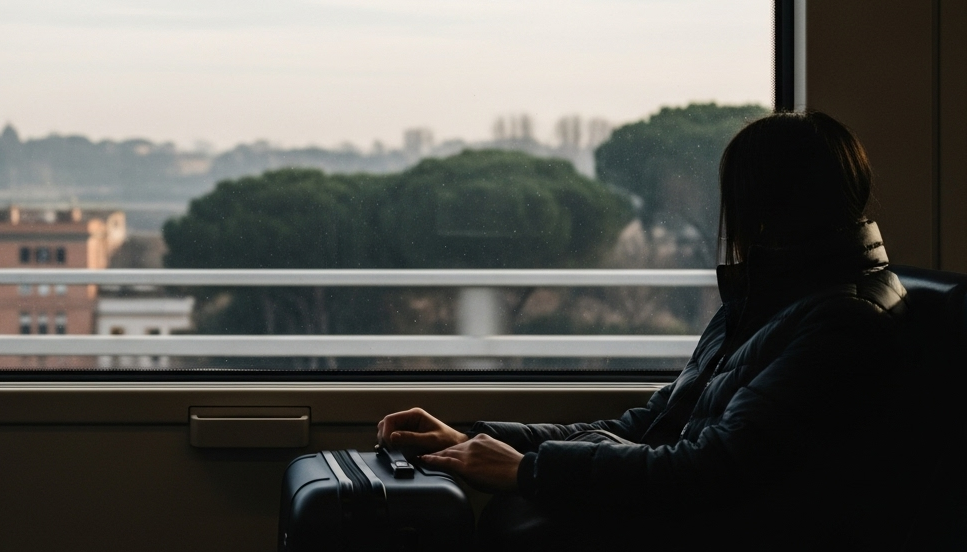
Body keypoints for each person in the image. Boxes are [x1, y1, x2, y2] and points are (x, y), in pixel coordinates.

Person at [377, 111, 909, 550]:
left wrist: (529, 472)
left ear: (766, 210)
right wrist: (478, 438)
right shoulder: (764, 303)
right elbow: (650, 425)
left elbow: (705, 472)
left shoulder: (840, 323)